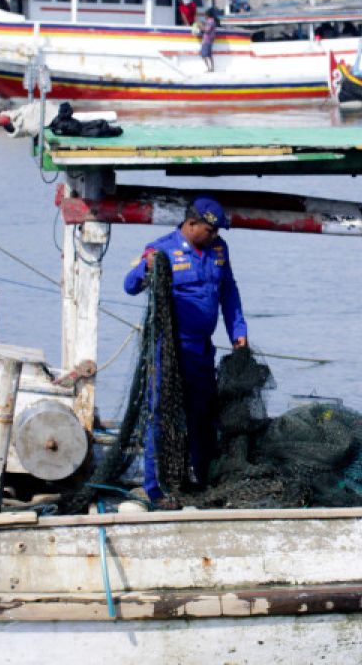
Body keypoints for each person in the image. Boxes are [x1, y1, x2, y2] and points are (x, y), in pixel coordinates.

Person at [124, 196, 248, 507]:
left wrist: (238, 332)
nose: (215, 236)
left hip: (201, 350)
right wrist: (145, 268)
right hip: (168, 349)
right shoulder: (161, 249)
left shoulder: (219, 250)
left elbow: (229, 291)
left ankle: (199, 479)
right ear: (191, 224)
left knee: (202, 415)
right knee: (161, 415)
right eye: (210, 230)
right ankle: (156, 487)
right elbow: (129, 285)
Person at [198, 7, 220, 72]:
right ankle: (211, 68)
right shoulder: (212, 21)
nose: (204, 16)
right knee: (209, 55)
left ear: (207, 15)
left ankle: (209, 68)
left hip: (206, 40)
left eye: (205, 15)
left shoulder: (210, 21)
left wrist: (200, 27)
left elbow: (207, 30)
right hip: (209, 40)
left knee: (203, 55)